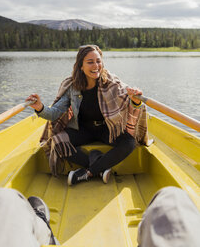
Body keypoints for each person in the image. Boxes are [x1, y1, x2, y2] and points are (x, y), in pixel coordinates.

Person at [26, 45, 149, 185]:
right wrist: (40, 108)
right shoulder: (72, 86)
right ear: (81, 66)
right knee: (56, 141)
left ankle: (88, 172)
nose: (95, 65)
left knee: (129, 143)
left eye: (98, 61)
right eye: (90, 62)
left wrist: (135, 100)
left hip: (106, 129)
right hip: (82, 129)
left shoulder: (112, 82)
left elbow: (128, 97)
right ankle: (98, 166)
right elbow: (54, 114)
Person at [0, 187, 199, 247]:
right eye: (92, 68)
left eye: (99, 68)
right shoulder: (71, 88)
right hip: (83, 136)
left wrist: (134, 105)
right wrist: (40, 109)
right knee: (173, 198)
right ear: (80, 69)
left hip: (108, 138)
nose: (97, 70)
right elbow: (55, 111)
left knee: (1, 199)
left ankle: (42, 228)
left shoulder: (113, 87)